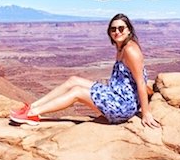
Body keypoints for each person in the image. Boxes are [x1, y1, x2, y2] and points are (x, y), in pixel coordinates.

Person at [9, 14, 160, 128]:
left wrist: (146, 113)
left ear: (129, 31)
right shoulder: (121, 47)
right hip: (115, 95)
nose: (117, 32)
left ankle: (31, 115)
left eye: (121, 28)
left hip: (122, 105)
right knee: (73, 80)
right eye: (113, 29)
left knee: (77, 92)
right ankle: (33, 106)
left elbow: (140, 81)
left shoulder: (131, 50)